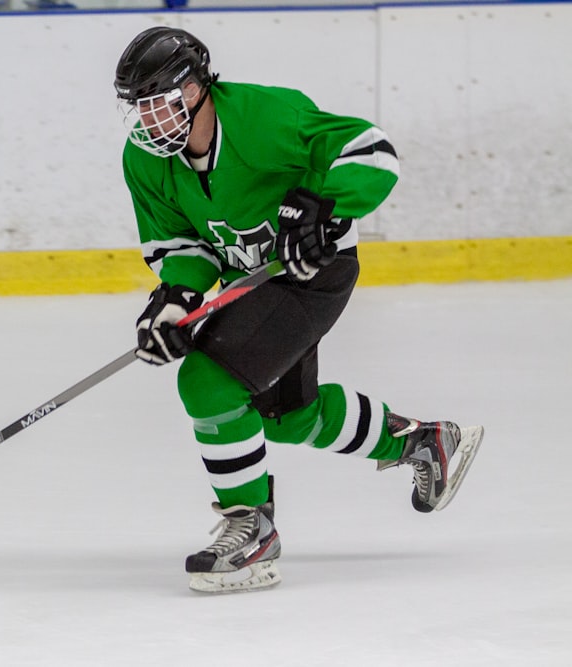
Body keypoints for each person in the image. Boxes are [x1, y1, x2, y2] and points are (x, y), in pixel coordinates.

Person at [114, 26, 484, 594]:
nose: (146, 120)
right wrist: (173, 304)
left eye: (155, 104)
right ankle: (422, 441)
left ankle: (252, 528)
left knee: (209, 383)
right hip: (252, 285)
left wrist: (324, 207)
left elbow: (371, 148)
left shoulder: (263, 116)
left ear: (192, 91)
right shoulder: (144, 160)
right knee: (289, 417)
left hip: (314, 272)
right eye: (136, 108)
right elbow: (180, 246)